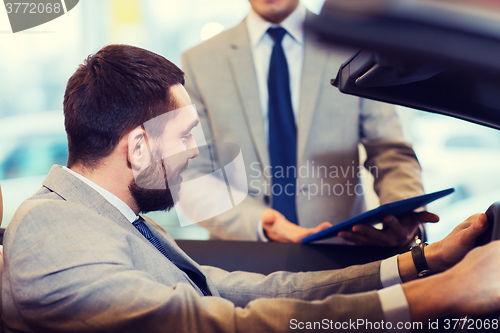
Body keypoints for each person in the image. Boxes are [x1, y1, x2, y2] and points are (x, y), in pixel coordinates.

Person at [3, 44, 500, 332]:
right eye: (185, 135)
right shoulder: (52, 226)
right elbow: (210, 325)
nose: (196, 152)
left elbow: (246, 290)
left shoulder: (114, 219)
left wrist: (423, 264)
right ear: (137, 148)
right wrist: (441, 296)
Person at [181, 0, 429, 245]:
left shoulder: (354, 48)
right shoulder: (199, 62)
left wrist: (403, 214)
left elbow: (390, 151)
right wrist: (257, 222)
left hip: (342, 254)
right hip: (244, 253)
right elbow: (192, 174)